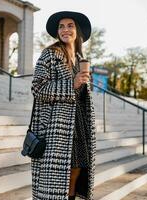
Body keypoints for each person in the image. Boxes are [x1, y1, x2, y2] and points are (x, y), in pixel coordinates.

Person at [30, 11, 97, 200]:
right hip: (57, 126)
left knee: (77, 169)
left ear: (78, 31)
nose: (65, 29)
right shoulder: (49, 54)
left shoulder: (79, 58)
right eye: (61, 26)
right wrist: (71, 84)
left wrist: (83, 86)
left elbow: (81, 93)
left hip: (78, 123)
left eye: (70, 25)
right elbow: (38, 87)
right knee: (58, 181)